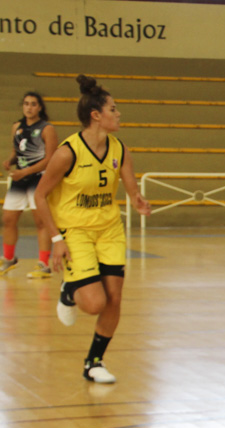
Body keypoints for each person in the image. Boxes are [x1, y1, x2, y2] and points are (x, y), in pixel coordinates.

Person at [33, 75, 151, 384]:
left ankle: (94, 362)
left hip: (109, 229)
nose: (119, 113)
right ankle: (70, 290)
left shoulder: (119, 149)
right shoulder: (67, 152)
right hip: (75, 231)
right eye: (113, 109)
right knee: (95, 303)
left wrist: (138, 200)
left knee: (114, 298)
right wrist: (57, 239)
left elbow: (129, 186)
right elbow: (39, 196)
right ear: (96, 115)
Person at [1, 92, 58, 277]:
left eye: (33, 104)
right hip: (20, 179)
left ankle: (43, 264)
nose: (29, 107)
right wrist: (10, 160)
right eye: (26, 103)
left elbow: (50, 159)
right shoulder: (16, 127)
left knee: (40, 222)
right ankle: (9, 259)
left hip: (38, 179)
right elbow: (17, 151)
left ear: (40, 107)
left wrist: (24, 171)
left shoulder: (47, 128)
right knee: (8, 219)